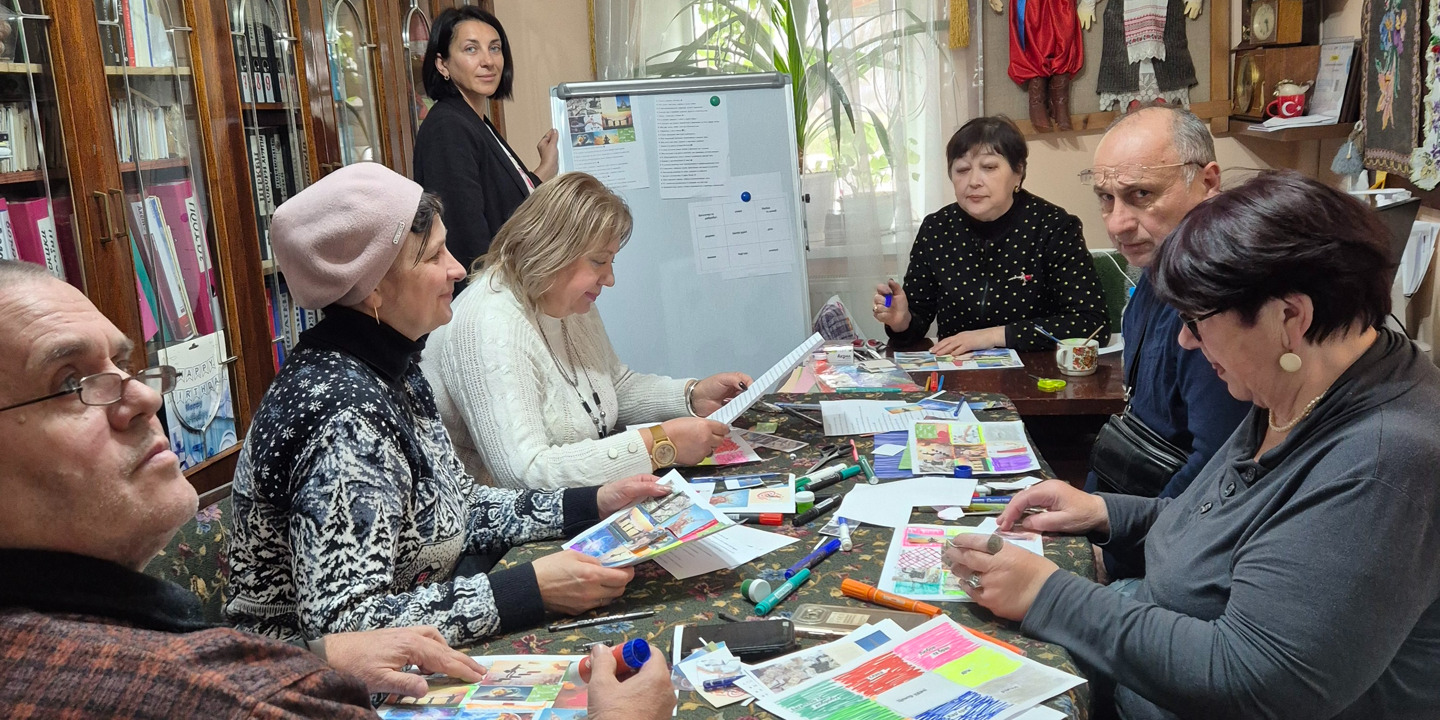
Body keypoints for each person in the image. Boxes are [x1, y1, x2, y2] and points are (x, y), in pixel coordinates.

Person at [944, 171, 1440, 719]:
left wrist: (1049, 595)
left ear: (1289, 317)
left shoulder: (1384, 464)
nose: (1185, 340)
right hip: (1150, 650)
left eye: (1196, 321)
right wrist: (1106, 512)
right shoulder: (1298, 383)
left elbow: (1251, 680)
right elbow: (1221, 531)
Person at [0, 259, 490, 714]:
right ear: (375, 285)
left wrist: (318, 660)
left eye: (124, 366)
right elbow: (338, 617)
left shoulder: (400, 372)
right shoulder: (236, 700)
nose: (146, 396)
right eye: (70, 383)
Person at [226, 163, 669, 648]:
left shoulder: (393, 366)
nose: (458, 269)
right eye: (434, 255)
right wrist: (530, 589)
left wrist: (591, 501)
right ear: (374, 287)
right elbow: (349, 629)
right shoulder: (343, 416)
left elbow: (460, 505)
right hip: (304, 677)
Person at [423, 172, 751, 491]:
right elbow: (524, 473)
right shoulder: (488, 323)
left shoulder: (564, 297)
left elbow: (612, 385)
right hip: (497, 523)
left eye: (611, 261)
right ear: (551, 251)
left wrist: (692, 396)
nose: (610, 279)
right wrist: (657, 445)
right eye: (598, 261)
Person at [1083, 105, 1249, 501]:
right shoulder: (1156, 263)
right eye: (1106, 198)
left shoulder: (1221, 291)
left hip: (1175, 521)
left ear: (1208, 181)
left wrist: (1113, 530)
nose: (1117, 224)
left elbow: (1218, 466)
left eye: (1141, 194)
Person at [873, 116, 1110, 356]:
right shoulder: (936, 229)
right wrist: (901, 320)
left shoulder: (1054, 227)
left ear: (1018, 172)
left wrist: (992, 336)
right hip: (957, 369)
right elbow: (916, 323)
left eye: (989, 167)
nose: (974, 182)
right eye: (962, 170)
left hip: (1038, 369)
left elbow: (1092, 324)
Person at [413, 6, 557, 289]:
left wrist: (543, 171)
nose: (488, 61)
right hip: (483, 296)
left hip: (505, 288)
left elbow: (501, 207)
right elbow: (465, 239)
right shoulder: (448, 126)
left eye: (494, 48)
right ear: (442, 64)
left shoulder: (474, 120)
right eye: (471, 49)